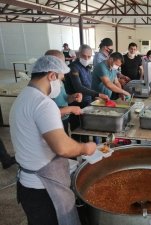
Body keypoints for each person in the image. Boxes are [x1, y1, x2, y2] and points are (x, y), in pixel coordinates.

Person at [9, 55, 96, 225]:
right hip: (44, 189)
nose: (61, 85)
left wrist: (67, 109)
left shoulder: (24, 97)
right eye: (61, 79)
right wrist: (86, 148)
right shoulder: (43, 103)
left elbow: (38, 119)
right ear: (51, 76)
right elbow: (63, 148)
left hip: (27, 185)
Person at [45, 50, 82, 134]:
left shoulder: (57, 80)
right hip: (54, 122)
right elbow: (46, 112)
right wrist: (70, 109)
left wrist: (73, 97)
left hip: (64, 118)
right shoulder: (45, 85)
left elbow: (65, 98)